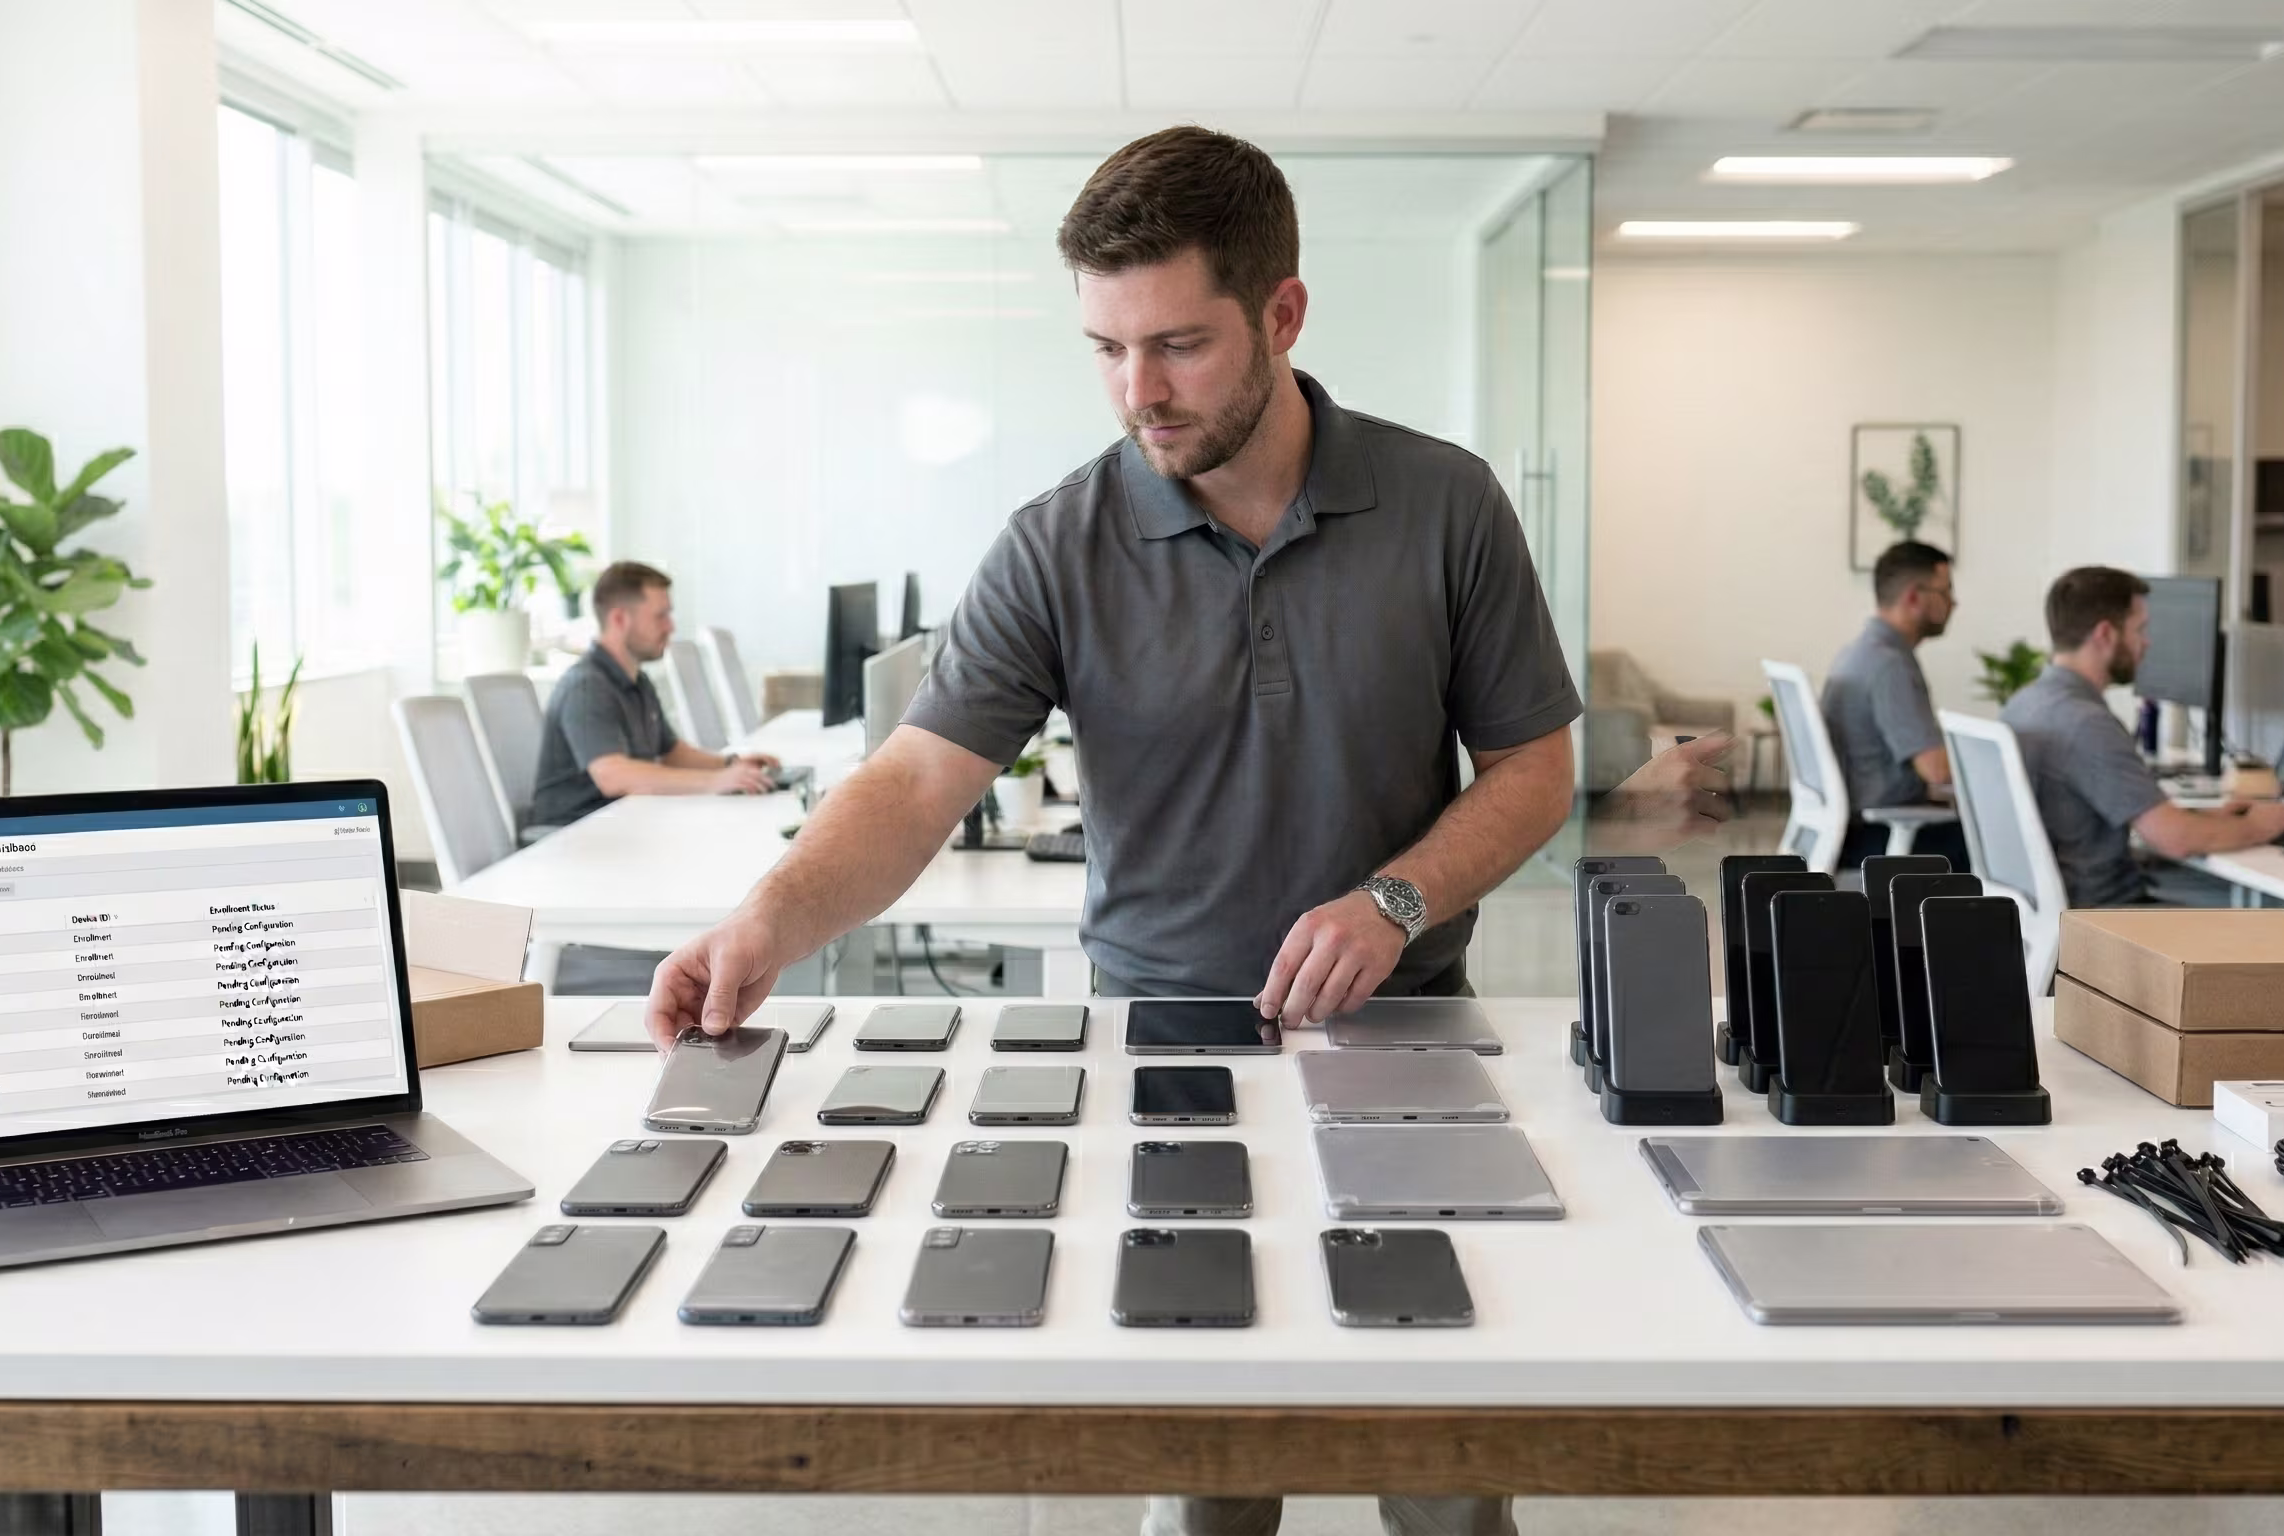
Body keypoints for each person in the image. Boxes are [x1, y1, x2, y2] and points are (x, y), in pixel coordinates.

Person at [647, 127, 1722, 1536]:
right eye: (1105, 349)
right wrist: (768, 917)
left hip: (1404, 1030)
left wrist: (1393, 901)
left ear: (1282, 313)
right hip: (1160, 1039)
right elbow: (914, 783)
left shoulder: (1445, 503)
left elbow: (1531, 767)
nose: (1137, 392)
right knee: (1208, 1471)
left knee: (1445, 1471)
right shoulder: (1056, 542)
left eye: (1178, 346)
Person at [2001, 567, 2284, 906]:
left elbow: (2147, 821)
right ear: (2105, 634)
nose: (2147, 642)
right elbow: (2176, 839)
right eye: (2139, 629)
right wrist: (2260, 825)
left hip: (2058, 913)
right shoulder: (2087, 724)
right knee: (2275, 924)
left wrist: (2204, 820)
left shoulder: (2025, 703)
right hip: (2107, 916)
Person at [527, 561, 778, 829]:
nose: (670, 627)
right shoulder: (586, 687)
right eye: (660, 616)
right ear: (619, 619)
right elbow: (613, 776)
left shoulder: (637, 680)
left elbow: (670, 752)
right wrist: (714, 782)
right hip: (576, 836)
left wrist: (729, 764)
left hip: (625, 823)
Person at [1822, 539, 1970, 867]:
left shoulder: (1858, 652)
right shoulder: (1890, 665)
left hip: (1856, 831)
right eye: (1946, 591)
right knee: (2006, 845)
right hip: (1883, 839)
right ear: (1914, 597)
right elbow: (1937, 770)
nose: (1954, 602)